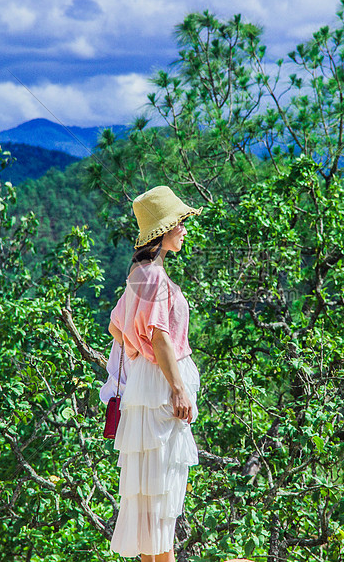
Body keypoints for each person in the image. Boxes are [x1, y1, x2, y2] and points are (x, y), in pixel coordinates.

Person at [105, 185, 202, 561]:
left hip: (149, 389)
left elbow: (117, 327)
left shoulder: (140, 274)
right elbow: (159, 335)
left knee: (151, 502)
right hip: (160, 391)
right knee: (159, 499)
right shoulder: (154, 277)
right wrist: (178, 388)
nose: (184, 230)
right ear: (164, 230)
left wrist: (138, 349)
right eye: (180, 223)